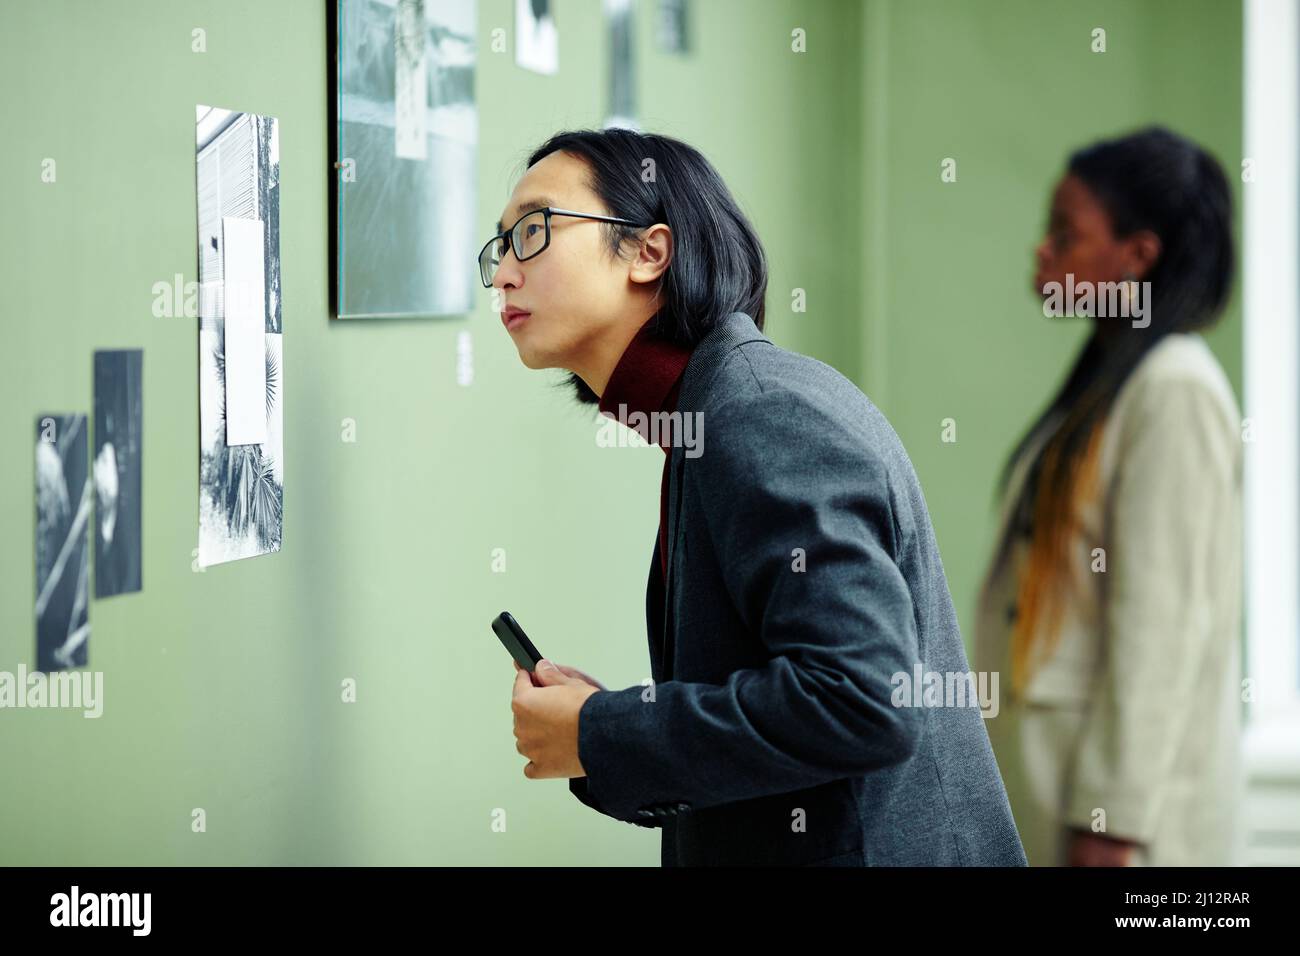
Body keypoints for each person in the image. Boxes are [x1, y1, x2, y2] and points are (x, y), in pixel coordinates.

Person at [489, 127, 1026, 866]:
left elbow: (862, 702)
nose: (502, 275)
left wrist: (603, 731)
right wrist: (603, 723)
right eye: (500, 246)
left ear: (650, 251)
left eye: (533, 231)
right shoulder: (712, 413)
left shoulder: (760, 413)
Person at [973, 126, 1243, 866]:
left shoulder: (1175, 388)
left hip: (1118, 833)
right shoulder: (1108, 382)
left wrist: (1111, 824)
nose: (1044, 249)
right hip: (1055, 788)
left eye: (1066, 232)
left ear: (1138, 255)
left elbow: (1159, 627)